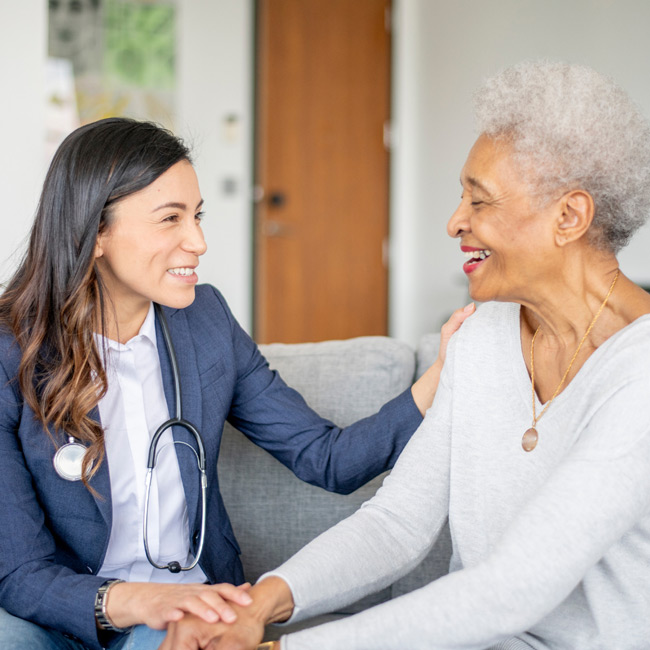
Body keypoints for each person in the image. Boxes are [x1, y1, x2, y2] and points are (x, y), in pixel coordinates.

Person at [163, 61, 650, 650]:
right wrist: (259, 604)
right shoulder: (483, 337)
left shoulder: (638, 372)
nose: (454, 222)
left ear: (569, 217)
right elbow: (396, 524)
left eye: (480, 200)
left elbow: (512, 591)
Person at [0, 117, 472, 650]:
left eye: (197, 216)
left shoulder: (206, 322)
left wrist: (439, 376)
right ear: (96, 232)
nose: (198, 241)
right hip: (59, 614)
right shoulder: (9, 352)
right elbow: (20, 574)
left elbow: (328, 458)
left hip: (182, 613)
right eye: (170, 219)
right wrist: (135, 597)